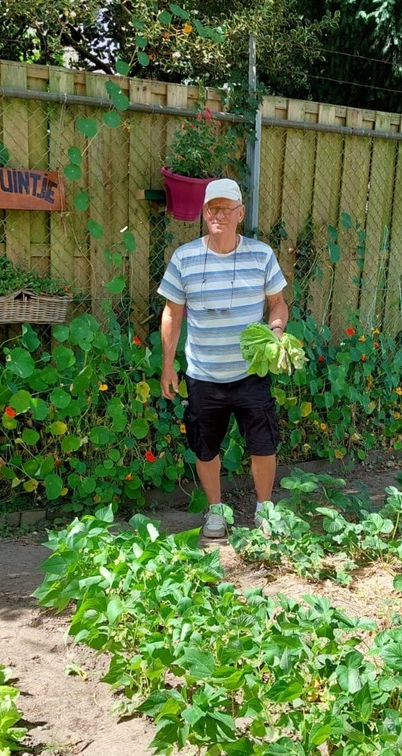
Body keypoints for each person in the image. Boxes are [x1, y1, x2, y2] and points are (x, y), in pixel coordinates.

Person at [159, 178, 289, 540]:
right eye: (212, 208)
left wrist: (275, 335)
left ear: (240, 213)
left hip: (250, 373)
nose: (219, 215)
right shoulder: (184, 257)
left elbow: (277, 304)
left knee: (263, 445)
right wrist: (168, 365)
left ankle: (265, 511)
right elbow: (172, 314)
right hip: (203, 375)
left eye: (226, 208)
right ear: (203, 213)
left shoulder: (260, 255)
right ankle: (215, 512)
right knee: (205, 447)